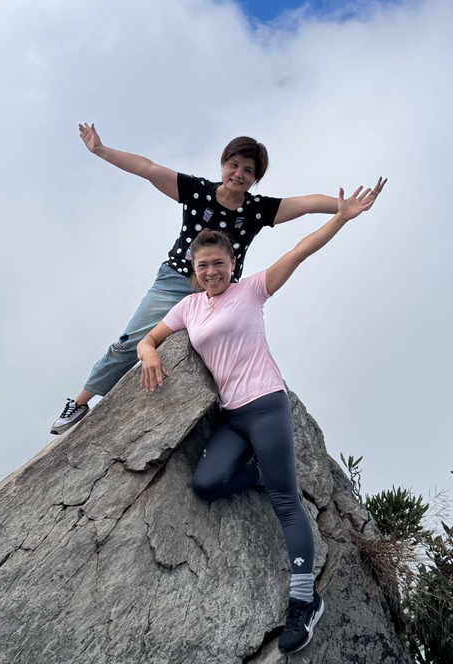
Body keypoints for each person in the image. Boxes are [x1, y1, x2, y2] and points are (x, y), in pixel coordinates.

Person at [136, 179, 386, 653]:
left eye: (218, 263)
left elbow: (300, 250)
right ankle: (256, 473)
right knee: (206, 485)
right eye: (203, 265)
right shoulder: (189, 307)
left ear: (232, 264)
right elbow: (150, 337)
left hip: (267, 403)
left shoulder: (251, 290)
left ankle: (304, 600)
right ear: (194, 269)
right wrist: (148, 351)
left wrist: (339, 218)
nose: (211, 271)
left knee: (286, 501)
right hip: (232, 415)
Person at [51, 123, 382, 434]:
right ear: (223, 164)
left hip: (221, 293)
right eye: (234, 165)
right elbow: (148, 168)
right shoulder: (197, 191)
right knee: (130, 342)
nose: (239, 173)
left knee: (229, 354)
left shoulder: (257, 209)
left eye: (248, 170)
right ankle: (80, 402)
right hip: (175, 281)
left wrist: (342, 208)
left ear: (255, 178)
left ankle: (237, 415)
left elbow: (306, 204)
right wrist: (101, 150)